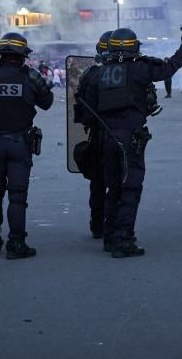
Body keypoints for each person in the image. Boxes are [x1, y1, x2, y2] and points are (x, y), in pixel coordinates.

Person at [80, 26, 182, 257]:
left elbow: (85, 109)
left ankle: (110, 237)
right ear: (134, 46)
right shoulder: (140, 68)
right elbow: (169, 67)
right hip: (130, 137)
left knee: (113, 188)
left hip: (106, 138)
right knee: (130, 188)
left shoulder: (95, 74)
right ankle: (124, 240)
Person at [0, 32, 53, 259]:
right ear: (22, 55)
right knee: (17, 196)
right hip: (19, 142)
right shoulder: (31, 76)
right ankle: (16, 244)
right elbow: (47, 103)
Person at [73, 31, 113, 240]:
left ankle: (97, 225)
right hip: (122, 139)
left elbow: (81, 108)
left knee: (97, 184)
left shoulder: (90, 74)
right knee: (120, 185)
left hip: (97, 137)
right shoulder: (129, 74)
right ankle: (116, 229)